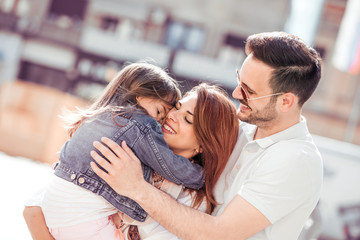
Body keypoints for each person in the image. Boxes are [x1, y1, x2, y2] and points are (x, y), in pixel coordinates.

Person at [90, 31, 324, 240]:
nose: (235, 93)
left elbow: (218, 234)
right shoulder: (238, 129)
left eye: (249, 91)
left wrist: (137, 188)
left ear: (286, 101)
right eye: (239, 81)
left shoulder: (296, 159)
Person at [23, 82, 240, 239]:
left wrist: (135, 187)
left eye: (187, 119)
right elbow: (35, 208)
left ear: (202, 145)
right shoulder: (130, 149)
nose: (172, 116)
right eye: (176, 107)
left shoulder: (191, 199)